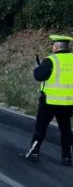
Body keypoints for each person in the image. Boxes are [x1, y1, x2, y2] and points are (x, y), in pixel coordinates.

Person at [26, 35, 73, 166]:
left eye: (53, 45)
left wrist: (37, 67)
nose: (52, 47)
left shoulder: (51, 60)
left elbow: (38, 76)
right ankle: (67, 156)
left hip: (49, 102)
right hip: (68, 102)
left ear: (57, 46)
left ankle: (34, 152)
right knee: (66, 130)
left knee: (40, 127)